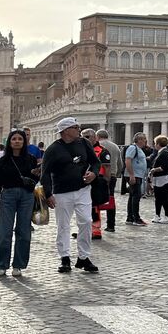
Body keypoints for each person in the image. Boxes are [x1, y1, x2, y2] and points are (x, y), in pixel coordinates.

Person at [40, 117, 100, 274]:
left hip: (83, 189)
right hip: (61, 192)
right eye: (76, 127)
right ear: (66, 131)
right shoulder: (52, 150)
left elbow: (95, 162)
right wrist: (48, 194)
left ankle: (84, 257)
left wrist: (93, 173)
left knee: (86, 221)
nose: (79, 129)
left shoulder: (84, 143)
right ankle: (65, 257)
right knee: (63, 225)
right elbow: (44, 173)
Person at [0, 130, 38, 277]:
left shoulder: (31, 159)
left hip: (27, 196)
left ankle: (18, 264)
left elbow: (35, 179)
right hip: (8, 195)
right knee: (4, 232)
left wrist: (36, 176)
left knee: (23, 231)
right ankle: (1, 264)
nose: (17, 141)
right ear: (9, 142)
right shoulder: (4, 160)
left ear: (24, 141)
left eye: (20, 139)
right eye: (14, 139)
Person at [81, 129, 109, 240]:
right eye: (83, 137)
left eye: (88, 137)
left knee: (94, 208)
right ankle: (85, 230)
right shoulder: (81, 150)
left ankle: (96, 231)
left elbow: (107, 167)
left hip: (97, 182)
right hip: (83, 182)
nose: (85, 139)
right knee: (83, 208)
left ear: (95, 138)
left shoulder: (102, 151)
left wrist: (106, 182)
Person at [96, 129, 122, 232]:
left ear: (97, 136)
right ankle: (111, 225)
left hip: (100, 176)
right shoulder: (115, 146)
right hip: (112, 176)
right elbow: (120, 163)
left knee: (95, 200)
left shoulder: (97, 146)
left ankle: (95, 225)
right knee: (110, 199)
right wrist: (117, 173)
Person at [149, 135, 168, 224]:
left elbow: (164, 167)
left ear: (158, 144)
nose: (154, 145)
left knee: (163, 198)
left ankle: (167, 216)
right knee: (158, 198)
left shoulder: (165, 153)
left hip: (164, 179)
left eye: (155, 143)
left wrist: (154, 170)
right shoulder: (162, 152)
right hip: (160, 178)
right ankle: (157, 215)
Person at [124, 133, 148, 226]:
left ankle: (130, 217)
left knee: (132, 196)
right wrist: (131, 175)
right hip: (134, 175)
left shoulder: (139, 149)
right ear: (139, 140)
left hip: (137, 175)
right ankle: (136, 218)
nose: (145, 141)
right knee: (136, 196)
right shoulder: (133, 148)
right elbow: (128, 160)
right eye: (143, 139)